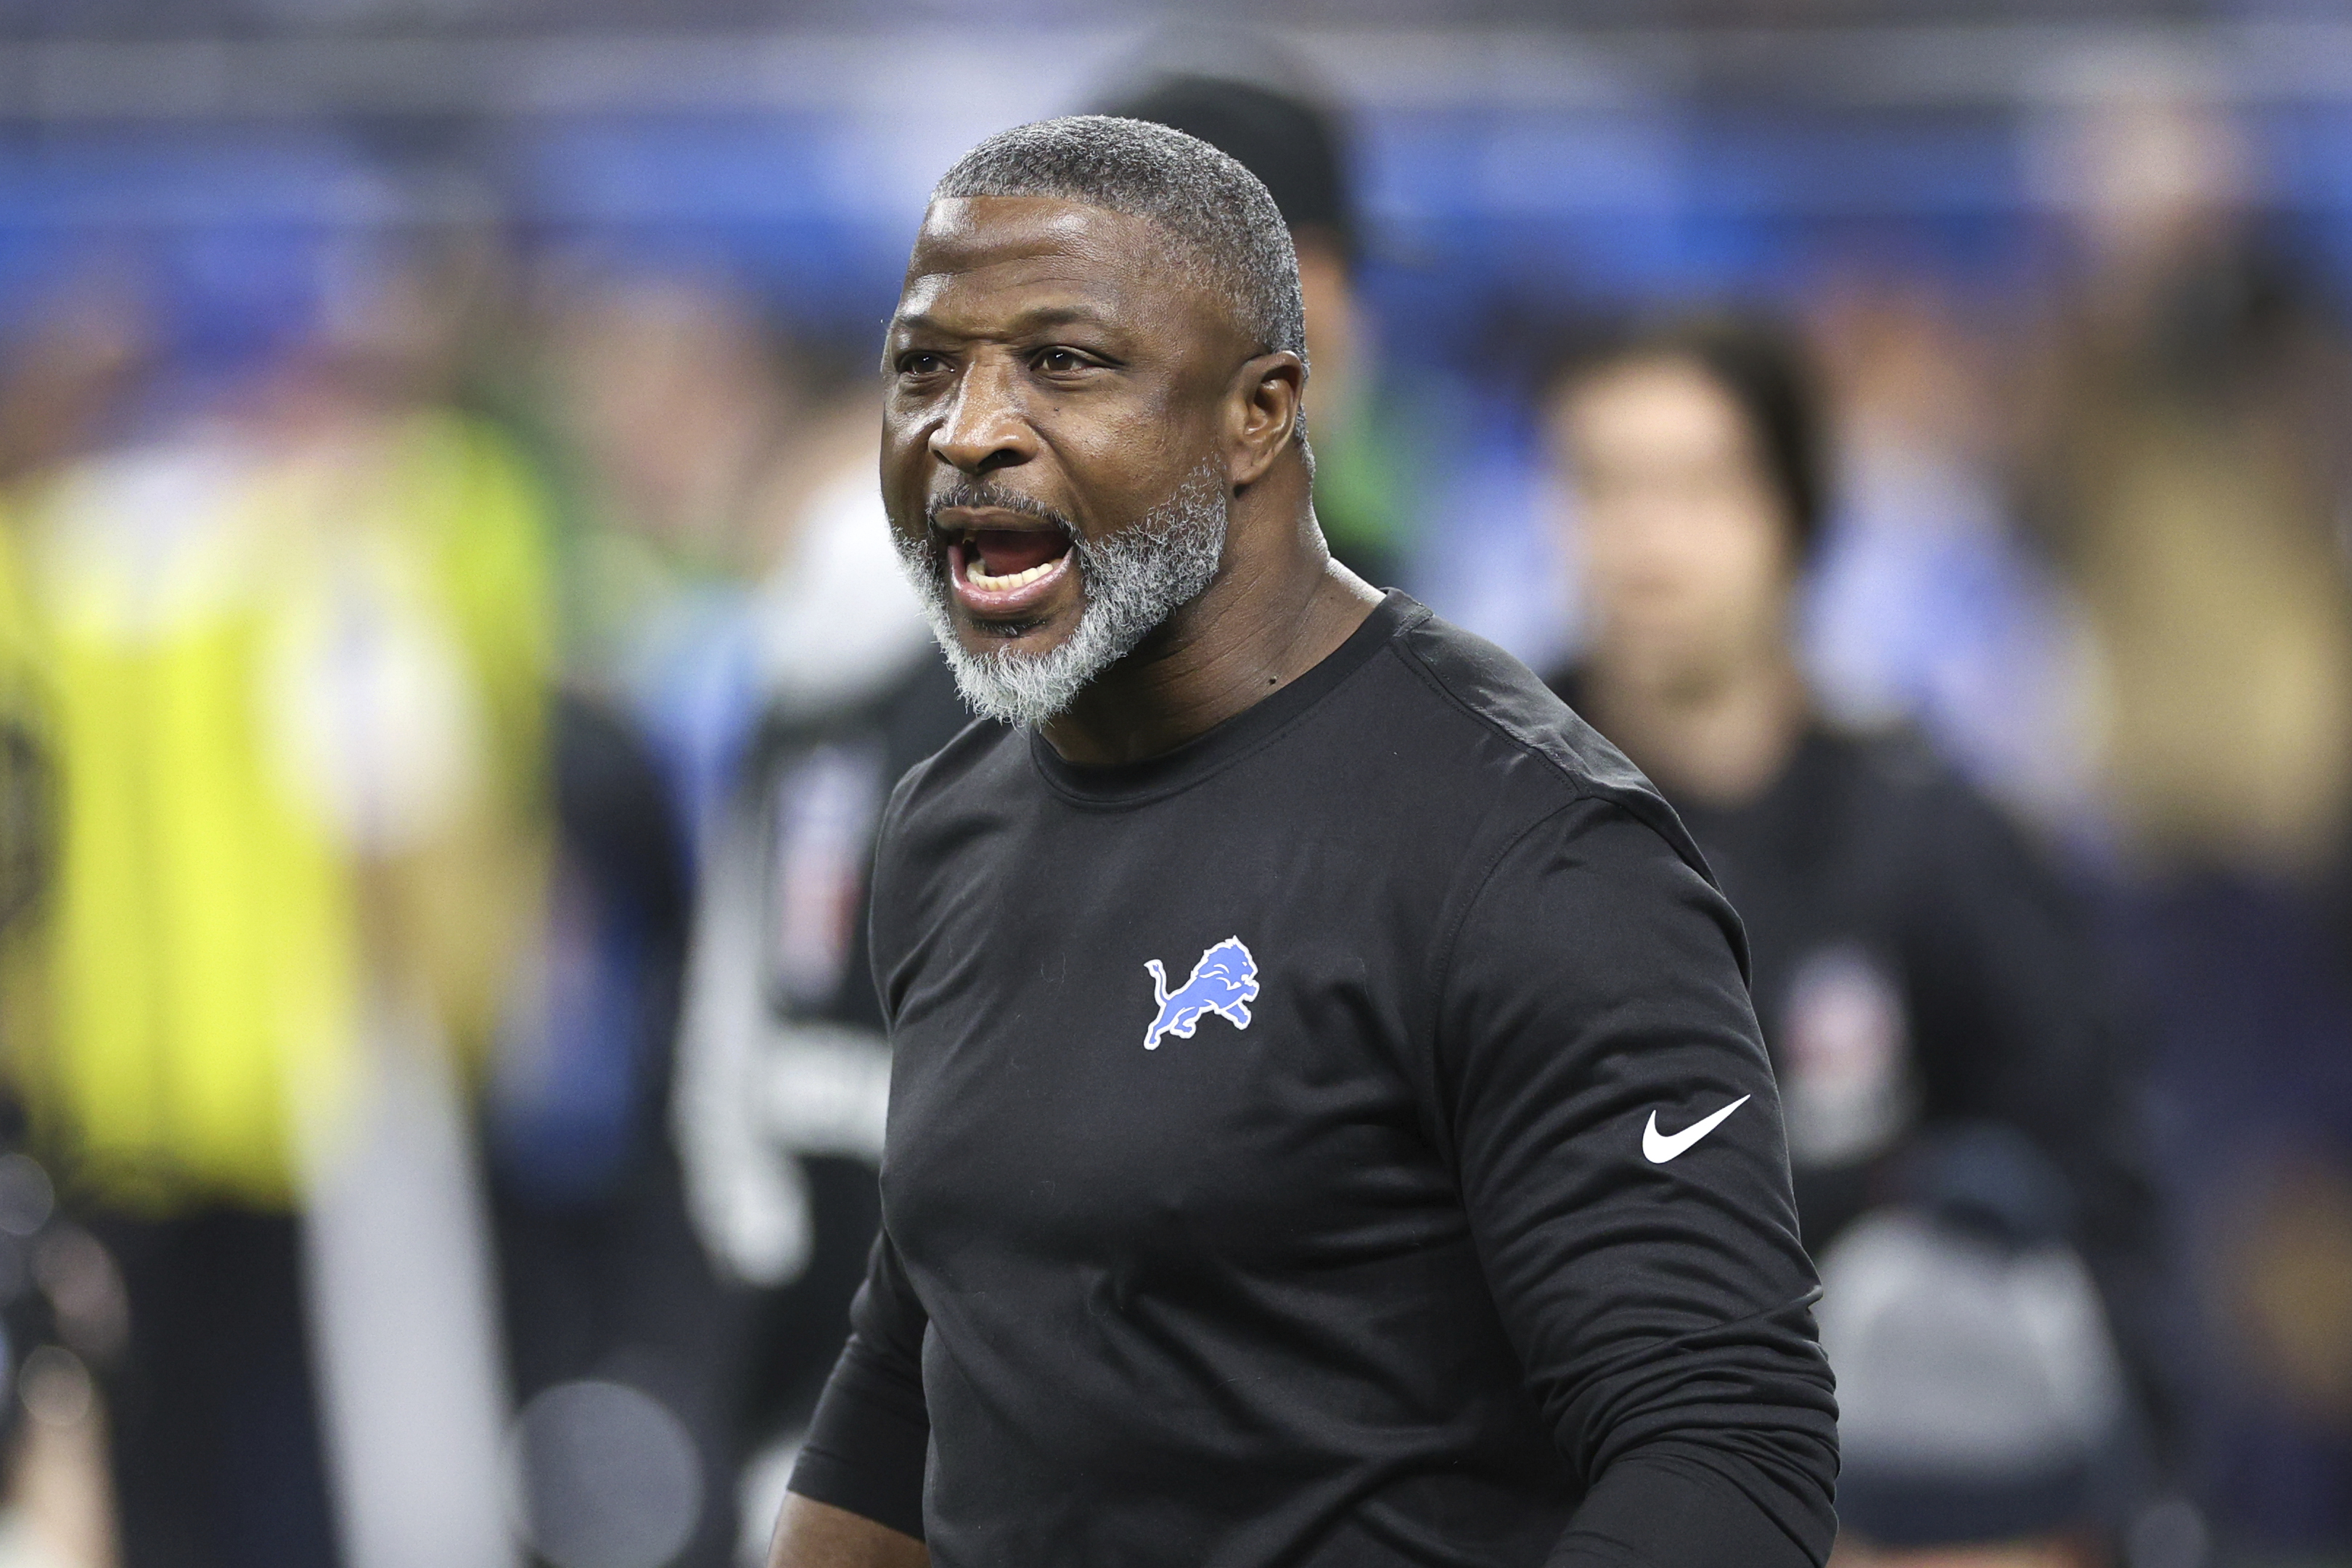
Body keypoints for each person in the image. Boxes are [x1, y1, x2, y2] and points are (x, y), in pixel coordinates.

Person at [768, 115, 1837, 1568]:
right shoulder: (946, 828)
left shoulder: (1526, 847)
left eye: (1063, 363)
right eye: (922, 368)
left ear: (1260, 411)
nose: (966, 430)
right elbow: (924, 1358)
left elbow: (1725, 1449)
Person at [1537, 317, 2169, 1491]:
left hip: (1868, 1474)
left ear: (1795, 509)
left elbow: (2092, 1179)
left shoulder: (1923, 834)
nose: (1642, 536)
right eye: (1600, 484)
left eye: (1694, 484)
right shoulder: (1471, 812)